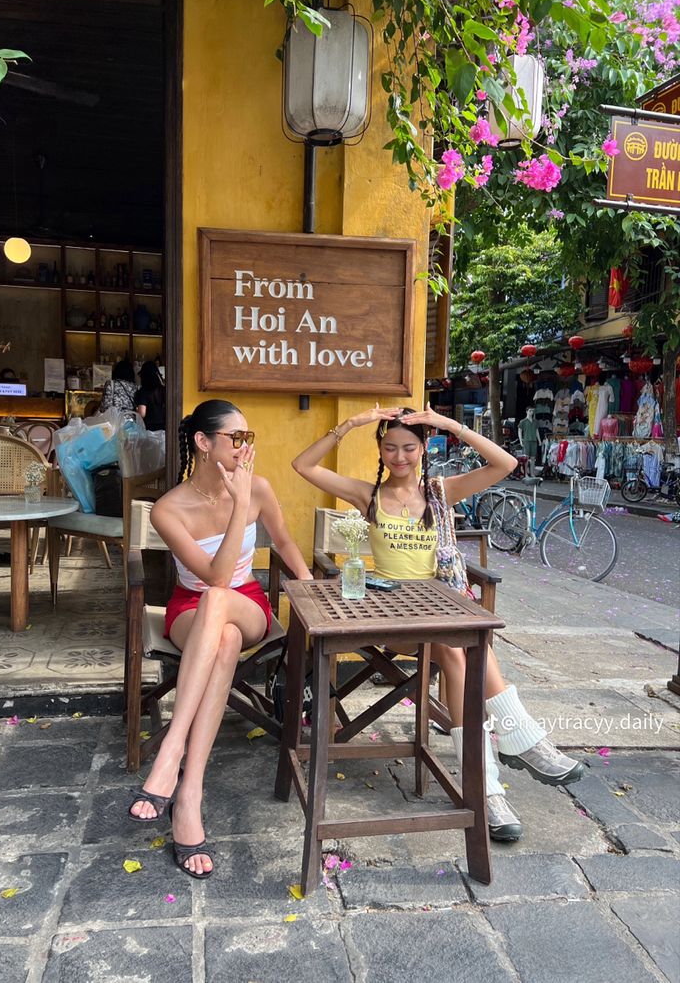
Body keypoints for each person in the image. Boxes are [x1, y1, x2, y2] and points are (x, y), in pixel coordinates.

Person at [292, 404, 584, 842]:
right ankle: (518, 746)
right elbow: (303, 465)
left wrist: (451, 425)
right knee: (460, 641)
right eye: (389, 447)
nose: (399, 456)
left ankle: (486, 787)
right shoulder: (367, 495)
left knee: (462, 643)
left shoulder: (442, 492)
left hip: (441, 606)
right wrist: (351, 424)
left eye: (409, 447)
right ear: (380, 449)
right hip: (390, 616)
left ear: (424, 447)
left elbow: (505, 464)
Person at [128, 399, 312, 877]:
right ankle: (189, 795)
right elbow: (212, 576)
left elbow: (284, 545)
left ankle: (170, 754)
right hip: (192, 610)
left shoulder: (259, 489)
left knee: (224, 611)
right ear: (204, 443)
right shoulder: (168, 509)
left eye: (249, 438)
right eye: (237, 438)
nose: (245, 448)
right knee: (221, 633)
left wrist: (310, 588)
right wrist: (236, 509)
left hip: (248, 603)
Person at [134, 361, 166, 431]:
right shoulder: (164, 390)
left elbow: (142, 413)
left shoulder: (143, 391)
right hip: (164, 428)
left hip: (148, 429)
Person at [518, 407, 541, 477]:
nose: (531, 412)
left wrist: (539, 440)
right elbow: (520, 431)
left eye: (532, 411)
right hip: (526, 441)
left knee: (533, 458)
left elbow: (537, 431)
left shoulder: (535, 422)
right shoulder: (523, 421)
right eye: (530, 411)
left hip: (534, 441)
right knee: (526, 458)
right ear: (527, 411)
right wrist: (520, 440)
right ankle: (525, 473)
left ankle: (532, 473)